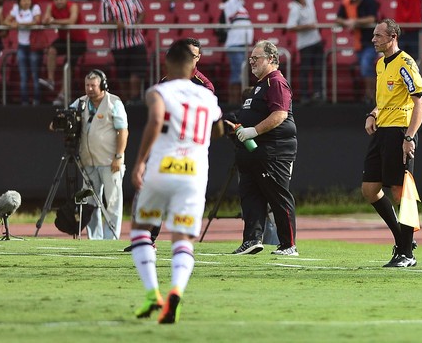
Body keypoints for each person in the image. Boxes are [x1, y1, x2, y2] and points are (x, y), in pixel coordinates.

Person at [129, 39, 223, 324]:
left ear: (168, 63)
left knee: (141, 228)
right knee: (183, 238)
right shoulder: (207, 96)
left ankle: (151, 293)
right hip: (194, 173)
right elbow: (217, 130)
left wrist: (140, 161)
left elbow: (156, 120)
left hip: (163, 167)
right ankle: (176, 291)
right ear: (193, 64)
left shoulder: (159, 90)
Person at [123, 37, 216, 253]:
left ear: (199, 58)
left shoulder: (205, 86)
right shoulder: (166, 81)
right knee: (154, 194)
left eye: (194, 55)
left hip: (189, 150)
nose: (190, 59)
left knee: (178, 201)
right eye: (188, 55)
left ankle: (174, 242)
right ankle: (149, 238)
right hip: (167, 146)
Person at [363, 18, 422, 267]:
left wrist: (409, 136)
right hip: (382, 131)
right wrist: (374, 113)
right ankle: (403, 240)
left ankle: (406, 254)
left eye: (378, 35)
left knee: (402, 192)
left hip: (400, 131)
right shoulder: (381, 64)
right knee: (369, 189)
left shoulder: (406, 63)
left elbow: (420, 101)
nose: (373, 39)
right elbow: (387, 98)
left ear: (392, 38)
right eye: (374, 35)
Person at [225, 40, 298, 256]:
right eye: (250, 58)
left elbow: (280, 114)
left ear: (272, 59)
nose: (251, 62)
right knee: (251, 195)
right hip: (254, 151)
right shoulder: (260, 84)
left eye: (256, 58)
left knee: (277, 196)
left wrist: (253, 131)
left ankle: (288, 244)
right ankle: (252, 240)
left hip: (273, 149)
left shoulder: (275, 82)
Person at [71, 69, 128, 240]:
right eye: (87, 85)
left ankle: (111, 238)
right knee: (89, 203)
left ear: (102, 85)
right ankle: (94, 238)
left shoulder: (114, 102)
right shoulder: (81, 102)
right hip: (88, 161)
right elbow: (66, 116)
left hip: (110, 161)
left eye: (93, 85)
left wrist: (118, 156)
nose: (89, 89)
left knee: (112, 202)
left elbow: (123, 131)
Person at [39, 0, 88, 106]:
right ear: (53, 0)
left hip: (79, 41)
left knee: (68, 64)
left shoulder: (73, 6)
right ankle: (50, 80)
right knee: (52, 50)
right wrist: (47, 20)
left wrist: (53, 21)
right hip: (64, 39)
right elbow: (45, 20)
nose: (59, 1)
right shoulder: (50, 6)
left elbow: (71, 21)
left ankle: (62, 94)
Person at [100, 0, 147, 105]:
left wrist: (138, 22)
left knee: (137, 71)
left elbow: (142, 12)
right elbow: (104, 21)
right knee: (123, 74)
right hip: (119, 44)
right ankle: (126, 101)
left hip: (136, 40)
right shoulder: (106, 1)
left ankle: (135, 98)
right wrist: (114, 23)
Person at [336, 0, 380, 104]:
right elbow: (338, 19)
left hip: (373, 41)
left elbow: (372, 18)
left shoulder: (369, 1)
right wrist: (346, 22)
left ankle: (372, 96)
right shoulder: (346, 2)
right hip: (358, 43)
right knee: (365, 68)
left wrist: (355, 22)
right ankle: (371, 96)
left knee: (366, 65)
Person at [3, 0, 43, 105]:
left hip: (33, 46)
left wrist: (19, 24)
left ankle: (36, 100)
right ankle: (24, 101)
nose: (26, 1)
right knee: (23, 75)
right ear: (20, 1)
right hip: (22, 45)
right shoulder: (16, 8)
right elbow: (6, 21)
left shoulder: (35, 8)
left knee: (35, 74)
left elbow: (36, 21)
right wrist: (12, 24)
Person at [286, 0, 324, 104]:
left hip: (317, 40)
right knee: (305, 70)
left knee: (318, 69)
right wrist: (307, 26)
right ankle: (305, 95)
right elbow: (290, 26)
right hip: (305, 44)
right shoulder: (294, 8)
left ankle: (318, 94)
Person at [222, 0, 253, 106]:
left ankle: (239, 101)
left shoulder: (241, 7)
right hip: (235, 44)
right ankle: (234, 102)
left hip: (243, 45)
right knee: (238, 73)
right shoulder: (229, 5)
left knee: (241, 73)